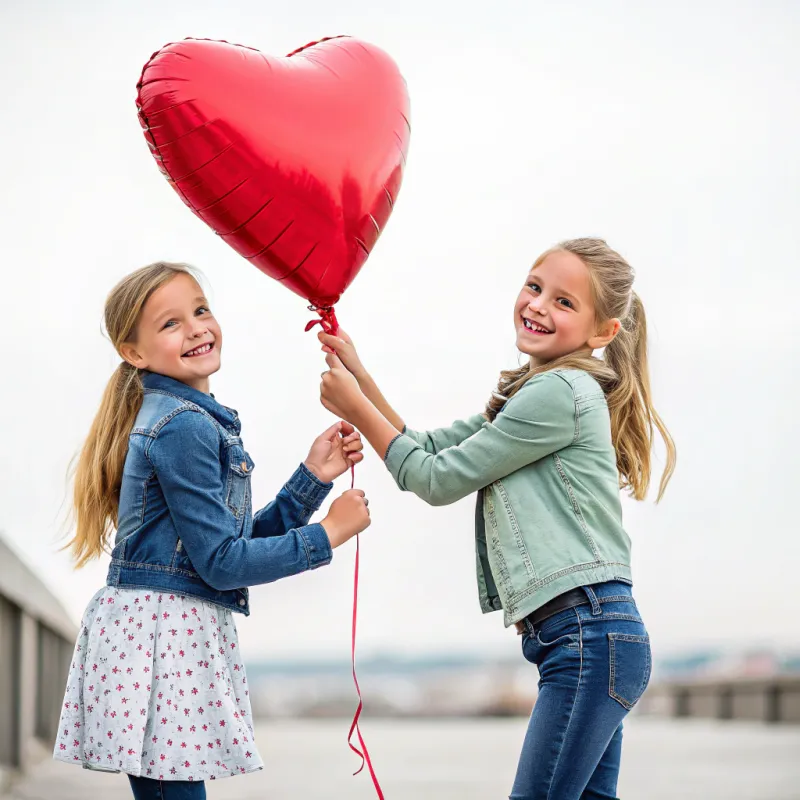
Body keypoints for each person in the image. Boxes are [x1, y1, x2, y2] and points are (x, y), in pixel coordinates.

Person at [317, 238, 676, 800]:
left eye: (563, 302)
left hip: (586, 636)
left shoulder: (558, 392)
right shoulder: (534, 392)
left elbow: (435, 480)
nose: (537, 305)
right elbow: (426, 447)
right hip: (592, 638)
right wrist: (358, 377)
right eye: (535, 287)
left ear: (603, 331)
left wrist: (354, 407)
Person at [53, 261, 371, 799]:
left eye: (200, 310)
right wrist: (328, 536)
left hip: (161, 631)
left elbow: (228, 543)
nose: (198, 327)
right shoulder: (185, 426)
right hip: (161, 638)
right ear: (134, 353)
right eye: (171, 323)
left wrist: (313, 479)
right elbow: (222, 564)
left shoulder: (183, 417)